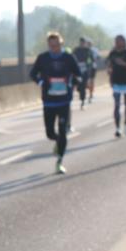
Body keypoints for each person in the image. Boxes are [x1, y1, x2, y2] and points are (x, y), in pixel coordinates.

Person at [29, 32, 82, 174]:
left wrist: (74, 82)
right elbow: (32, 74)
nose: (54, 48)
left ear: (61, 44)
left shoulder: (68, 58)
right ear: (48, 45)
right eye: (51, 45)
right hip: (49, 101)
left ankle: (59, 162)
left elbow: (78, 74)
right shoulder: (43, 58)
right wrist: (41, 82)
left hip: (64, 101)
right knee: (50, 133)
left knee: (63, 132)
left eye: (57, 45)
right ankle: (58, 142)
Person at [106, 35, 126, 137]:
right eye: (116, 41)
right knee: (117, 105)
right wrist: (109, 74)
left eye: (119, 41)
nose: (117, 43)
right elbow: (109, 65)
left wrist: (123, 63)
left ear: (123, 42)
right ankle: (117, 128)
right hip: (116, 83)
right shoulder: (112, 54)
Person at [72, 37, 94, 109]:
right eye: (81, 42)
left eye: (83, 42)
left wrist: (89, 66)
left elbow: (91, 60)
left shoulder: (88, 50)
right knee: (78, 86)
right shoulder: (76, 50)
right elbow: (72, 57)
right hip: (77, 70)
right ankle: (81, 94)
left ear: (84, 43)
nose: (82, 43)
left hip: (85, 70)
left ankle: (83, 102)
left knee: (83, 85)